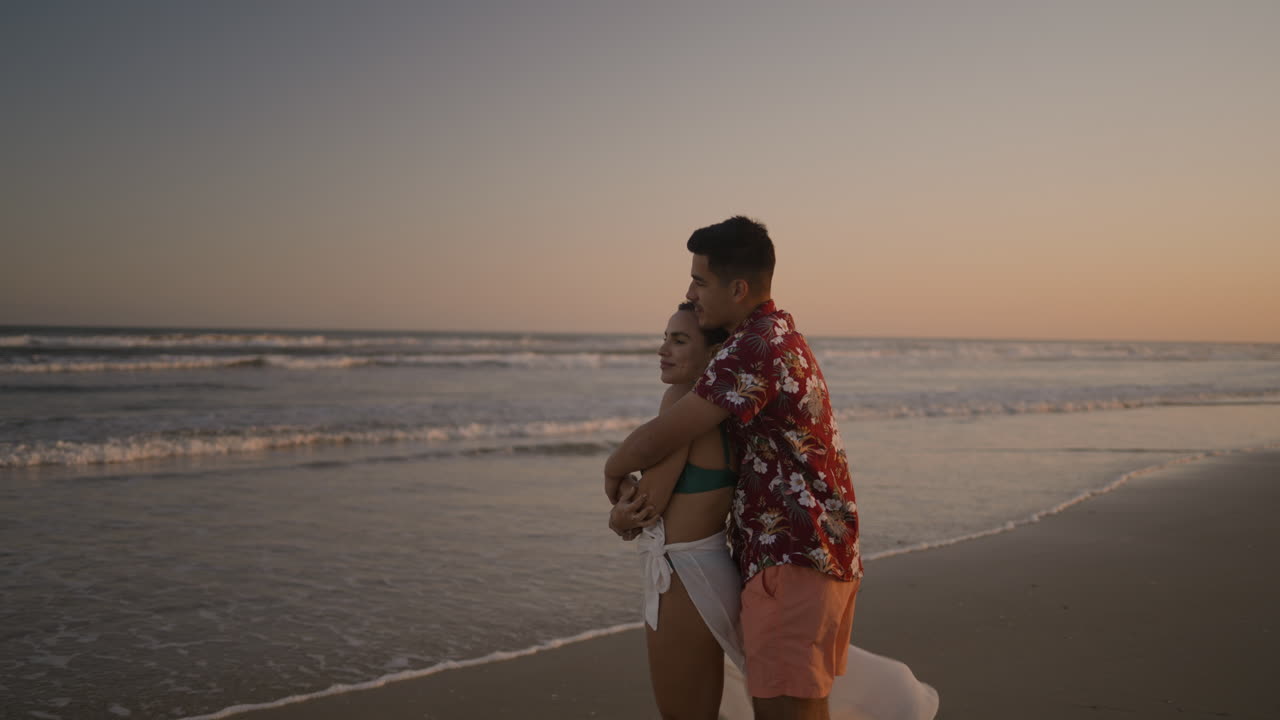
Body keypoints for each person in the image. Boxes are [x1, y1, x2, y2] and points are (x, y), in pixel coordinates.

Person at [606, 217, 937, 720]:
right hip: (811, 553)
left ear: (737, 288)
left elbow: (667, 432)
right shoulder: (776, 333)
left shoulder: (751, 348)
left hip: (794, 556)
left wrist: (612, 468)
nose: (690, 291)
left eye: (699, 280)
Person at [608, 302, 738, 719]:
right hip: (714, 569)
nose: (663, 349)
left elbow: (646, 508)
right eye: (665, 338)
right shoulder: (729, 409)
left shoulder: (683, 401)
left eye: (679, 340)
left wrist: (618, 511)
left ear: (714, 354)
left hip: (683, 580)